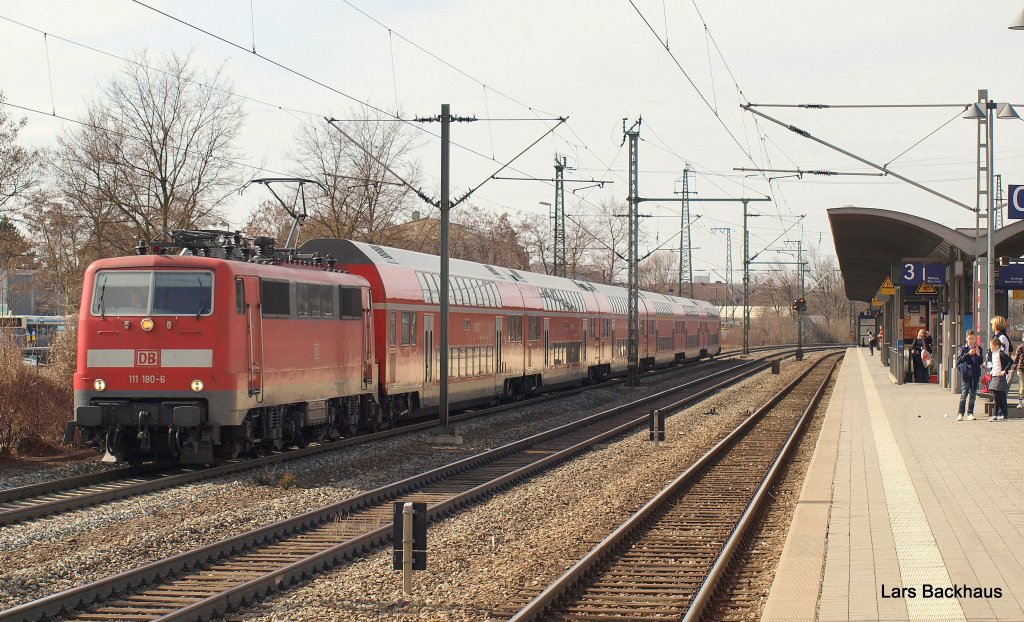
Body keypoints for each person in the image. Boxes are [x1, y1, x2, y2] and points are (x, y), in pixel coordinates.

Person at [956, 329, 983, 421]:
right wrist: (968, 354)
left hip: (975, 374)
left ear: (975, 339)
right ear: (966, 339)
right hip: (966, 374)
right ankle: (960, 413)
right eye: (969, 338)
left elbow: (980, 362)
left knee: (973, 394)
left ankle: (970, 413)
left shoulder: (979, 348)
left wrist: (979, 355)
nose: (971, 340)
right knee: (964, 394)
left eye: (973, 338)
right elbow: (959, 360)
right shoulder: (962, 348)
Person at [987, 336, 1012, 421]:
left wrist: (1004, 371)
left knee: (1000, 396)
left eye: (992, 345)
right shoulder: (992, 353)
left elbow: (1010, 361)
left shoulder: (1000, 353)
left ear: (997, 345)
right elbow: (994, 364)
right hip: (994, 375)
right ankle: (998, 414)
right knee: (996, 396)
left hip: (1000, 377)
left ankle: (1003, 414)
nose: (990, 347)